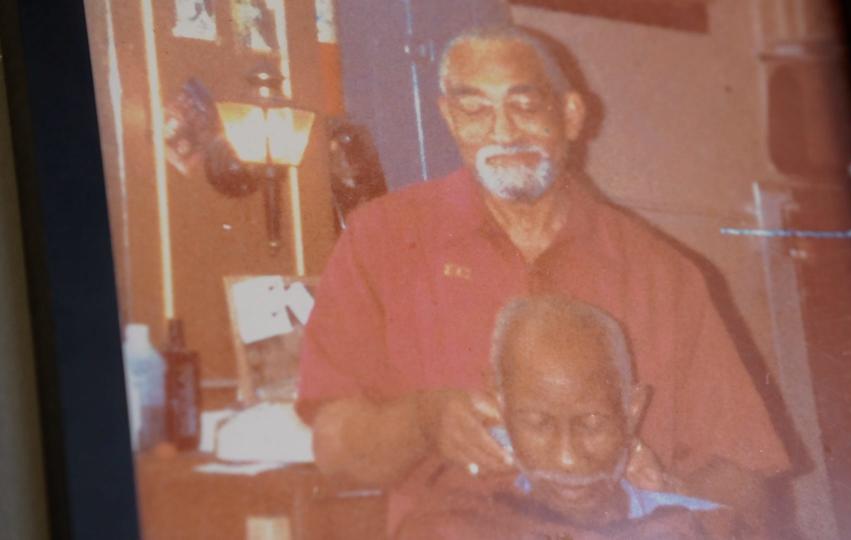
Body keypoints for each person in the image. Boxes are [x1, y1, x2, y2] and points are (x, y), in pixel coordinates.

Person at [296, 24, 789, 533]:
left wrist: (673, 497)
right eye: (475, 109)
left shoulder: (662, 275)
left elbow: (744, 473)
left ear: (571, 115)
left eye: (525, 106)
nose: (503, 133)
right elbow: (333, 446)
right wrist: (421, 421)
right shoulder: (381, 241)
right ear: (447, 116)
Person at [397, 296, 728, 539]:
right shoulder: (451, 530)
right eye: (538, 423)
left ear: (632, 411)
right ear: (502, 409)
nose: (567, 458)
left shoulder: (698, 530)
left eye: (592, 422)